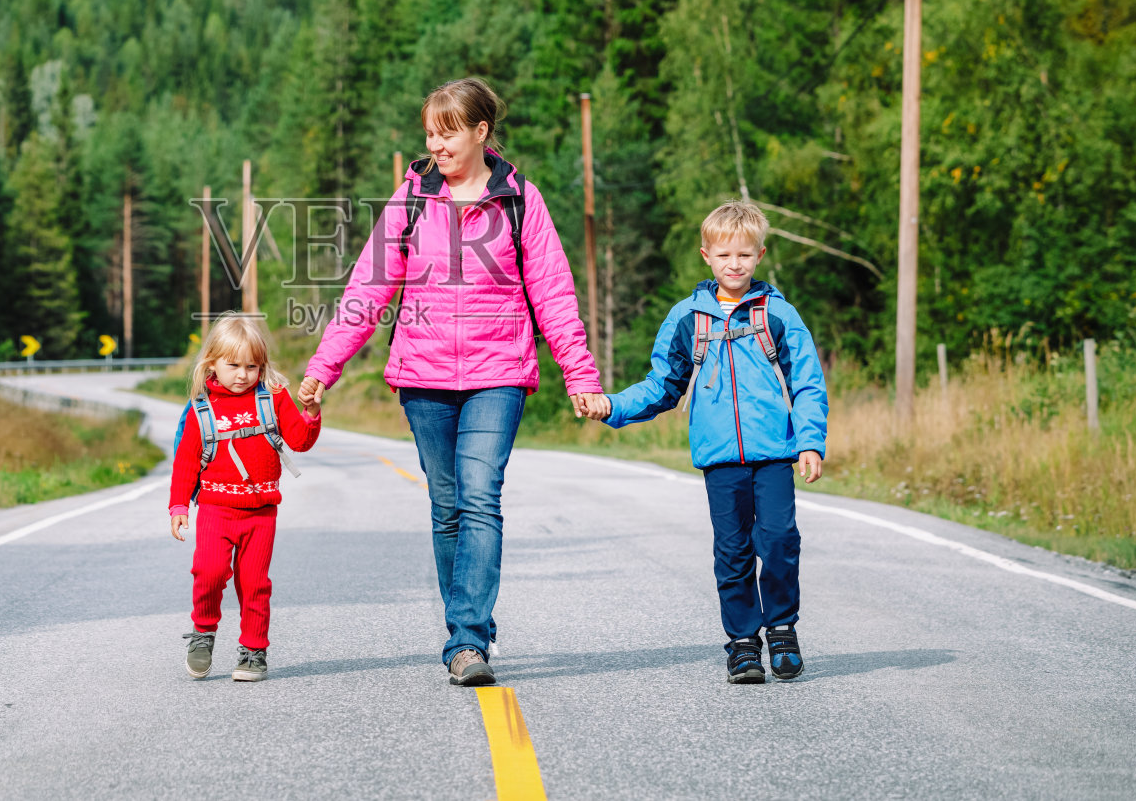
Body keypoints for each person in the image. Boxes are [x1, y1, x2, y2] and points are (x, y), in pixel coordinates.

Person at [298, 77, 606, 687]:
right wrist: (321, 367)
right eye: (430, 134)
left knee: (479, 496)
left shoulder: (521, 201)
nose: (436, 145)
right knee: (446, 508)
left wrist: (580, 373)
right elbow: (368, 287)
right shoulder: (412, 199)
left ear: (480, 131)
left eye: (448, 132)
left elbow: (553, 293)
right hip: (424, 375)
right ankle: (461, 628)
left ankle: (468, 640)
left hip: (498, 373)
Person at [586, 200, 828, 683]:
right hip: (720, 460)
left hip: (776, 453)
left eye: (744, 254)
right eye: (724, 256)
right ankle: (742, 643)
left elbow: (807, 381)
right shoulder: (687, 318)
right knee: (733, 550)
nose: (734, 264)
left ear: (760, 254)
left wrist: (810, 441)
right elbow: (662, 385)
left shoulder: (778, 314)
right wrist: (612, 405)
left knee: (779, 541)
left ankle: (781, 629)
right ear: (706, 256)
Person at [170, 313, 321, 682]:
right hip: (215, 511)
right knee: (208, 573)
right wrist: (178, 506)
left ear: (262, 365)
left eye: (252, 366)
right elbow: (186, 461)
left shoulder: (274, 398)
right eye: (233, 365)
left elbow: (300, 440)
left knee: (255, 583)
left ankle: (254, 651)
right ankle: (203, 633)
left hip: (261, 513)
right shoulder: (201, 409)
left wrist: (312, 413)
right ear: (212, 364)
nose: (242, 374)